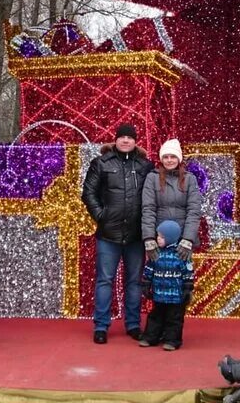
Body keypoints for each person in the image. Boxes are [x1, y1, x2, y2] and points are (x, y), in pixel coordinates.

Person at [82, 123, 155, 344]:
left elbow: (151, 196)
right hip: (108, 234)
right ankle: (101, 326)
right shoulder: (101, 163)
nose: (125, 141)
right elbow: (88, 192)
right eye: (121, 137)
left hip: (135, 234)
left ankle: (133, 325)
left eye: (129, 138)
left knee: (134, 281)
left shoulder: (144, 165)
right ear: (116, 140)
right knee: (105, 280)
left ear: (135, 141)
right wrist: (101, 215)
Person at [141, 139, 202, 264]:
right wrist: (149, 238)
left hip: (182, 239)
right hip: (160, 239)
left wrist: (188, 239)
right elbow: (148, 209)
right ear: (161, 159)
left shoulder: (190, 179)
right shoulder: (152, 178)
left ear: (178, 158)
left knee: (183, 277)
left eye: (173, 156)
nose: (169, 160)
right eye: (166, 157)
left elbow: (194, 211)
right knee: (158, 276)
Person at [140, 220, 194, 351]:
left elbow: (188, 272)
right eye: (158, 236)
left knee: (174, 319)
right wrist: (146, 284)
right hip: (159, 294)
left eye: (162, 237)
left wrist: (188, 288)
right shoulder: (156, 253)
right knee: (155, 317)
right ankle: (150, 337)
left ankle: (172, 340)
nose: (158, 239)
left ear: (170, 238)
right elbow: (149, 269)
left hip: (176, 296)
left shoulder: (181, 255)